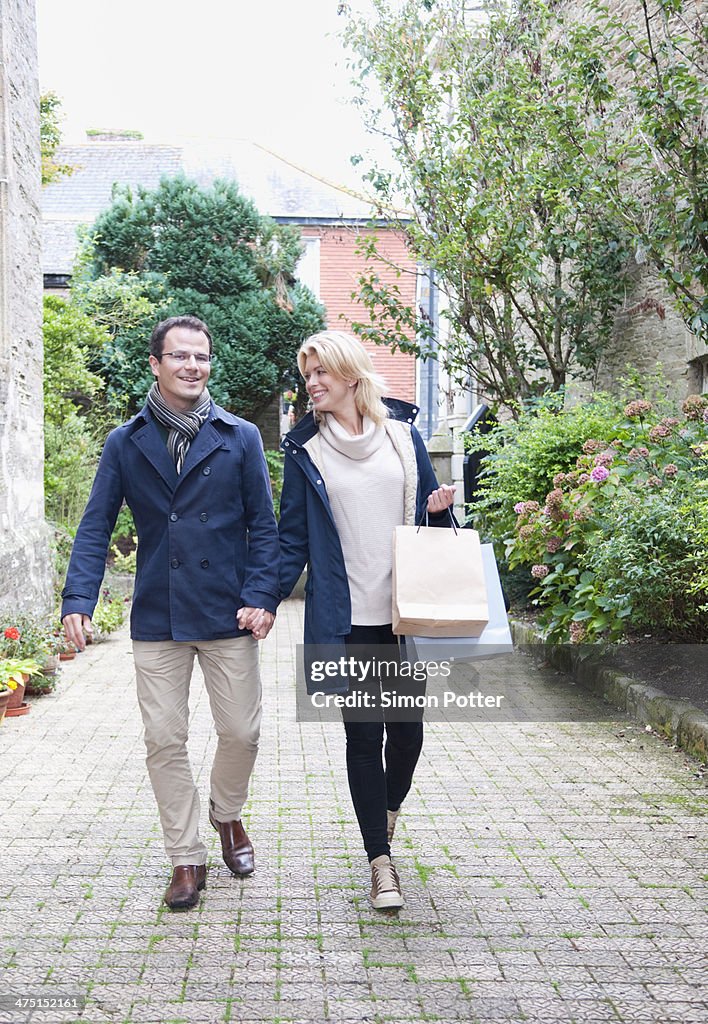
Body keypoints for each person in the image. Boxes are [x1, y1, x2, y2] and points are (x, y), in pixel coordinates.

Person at [61, 315, 279, 911]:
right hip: (158, 612)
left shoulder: (240, 437)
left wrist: (262, 596)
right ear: (155, 365)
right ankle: (186, 857)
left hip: (228, 611)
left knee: (243, 731)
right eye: (179, 356)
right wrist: (79, 599)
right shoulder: (125, 441)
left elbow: (264, 526)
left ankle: (226, 813)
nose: (192, 366)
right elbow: (95, 525)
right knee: (164, 739)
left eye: (201, 357)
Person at [278, 330, 455, 909]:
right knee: (364, 735)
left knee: (407, 737)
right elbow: (291, 540)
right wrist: (265, 599)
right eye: (307, 376)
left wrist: (438, 509)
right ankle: (380, 861)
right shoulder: (306, 451)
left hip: (403, 616)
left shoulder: (403, 439)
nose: (313, 385)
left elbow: (431, 524)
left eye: (321, 374)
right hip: (347, 619)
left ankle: (388, 812)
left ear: (352, 375)